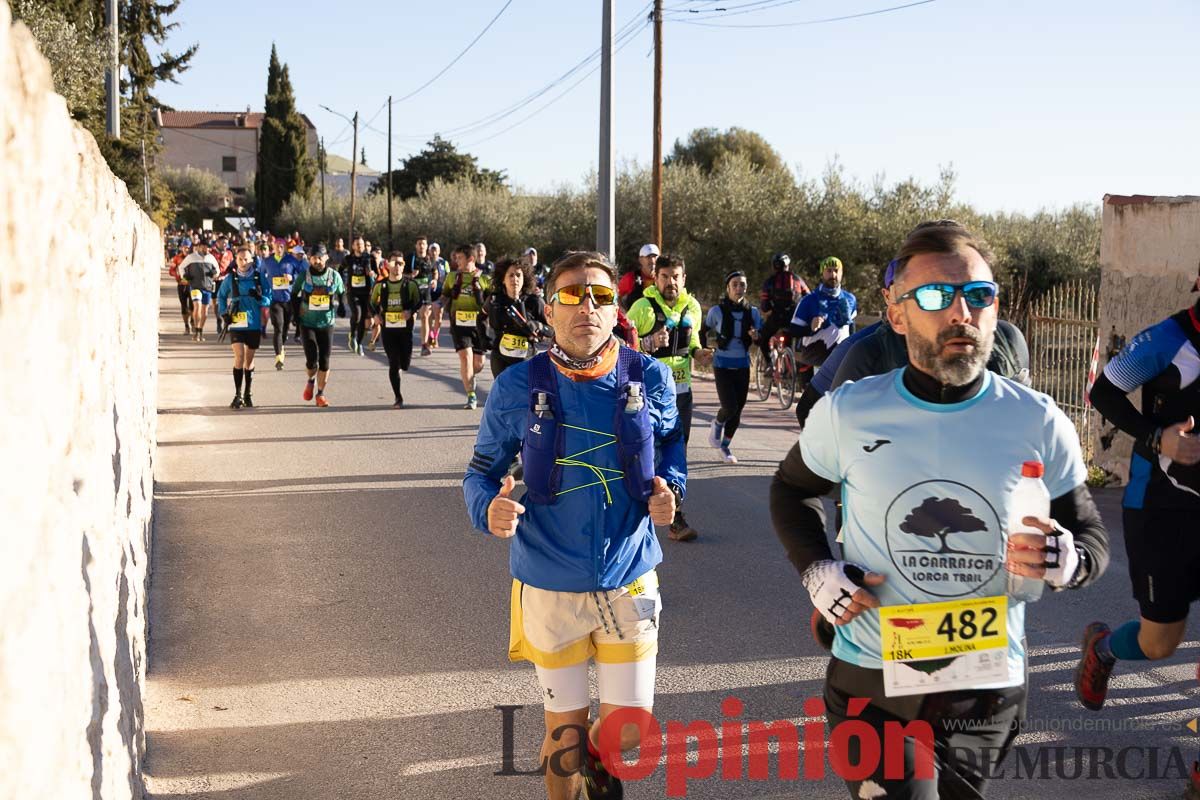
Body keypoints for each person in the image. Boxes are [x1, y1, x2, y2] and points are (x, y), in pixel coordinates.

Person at [771, 220, 1109, 800]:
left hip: (986, 680)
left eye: (978, 296)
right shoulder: (848, 411)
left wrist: (1067, 559)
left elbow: (1090, 536)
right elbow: (789, 490)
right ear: (896, 313)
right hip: (872, 674)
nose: (960, 313)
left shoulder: (1038, 418)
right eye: (934, 296)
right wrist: (817, 570)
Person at [463, 250, 686, 800]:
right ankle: (573, 762)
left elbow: (672, 447)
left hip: (629, 574)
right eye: (572, 294)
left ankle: (592, 760)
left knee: (628, 729)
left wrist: (672, 489)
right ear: (549, 308)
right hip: (548, 580)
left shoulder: (650, 376)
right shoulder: (518, 386)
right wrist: (486, 508)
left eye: (601, 295)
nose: (588, 304)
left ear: (616, 310)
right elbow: (481, 472)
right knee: (561, 735)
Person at [1076, 262, 1200, 712]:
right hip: (1161, 509)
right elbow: (1103, 392)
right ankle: (1103, 649)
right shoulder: (1166, 341)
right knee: (1160, 643)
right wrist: (1156, 436)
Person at [627, 254, 713, 542]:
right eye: (665, 276)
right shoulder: (642, 308)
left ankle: (674, 514)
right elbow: (622, 349)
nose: (671, 282)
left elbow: (693, 344)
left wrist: (701, 355)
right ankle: (639, 513)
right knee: (646, 451)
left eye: (676, 276)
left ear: (684, 279)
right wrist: (648, 343)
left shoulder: (693, 307)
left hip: (681, 392)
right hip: (648, 394)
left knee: (677, 453)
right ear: (656, 278)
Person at [704, 270, 763, 463]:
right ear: (728, 288)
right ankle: (718, 422)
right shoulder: (716, 312)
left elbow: (760, 338)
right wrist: (704, 350)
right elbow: (702, 331)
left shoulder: (752, 312)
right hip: (722, 364)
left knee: (738, 410)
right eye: (735, 284)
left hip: (742, 365)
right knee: (729, 407)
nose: (739, 288)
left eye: (742, 285)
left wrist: (756, 337)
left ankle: (725, 447)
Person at [216, 246, 272, 408]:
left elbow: (268, 299)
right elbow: (221, 296)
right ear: (236, 260)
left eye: (246, 259)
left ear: (252, 260)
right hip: (236, 321)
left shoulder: (259, 277)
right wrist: (223, 313)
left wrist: (259, 297)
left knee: (249, 360)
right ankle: (237, 395)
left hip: (253, 323)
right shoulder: (231, 278)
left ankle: (248, 392)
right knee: (239, 356)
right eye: (240, 259)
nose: (243, 262)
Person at [290, 245, 346, 408]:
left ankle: (320, 394)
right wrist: (295, 314)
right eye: (313, 258)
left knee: (325, 361)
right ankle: (310, 380)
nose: (317, 261)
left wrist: (342, 305)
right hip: (307, 322)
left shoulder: (334, 276)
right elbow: (294, 294)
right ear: (309, 259)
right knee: (311, 361)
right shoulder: (304, 275)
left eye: (320, 257)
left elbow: (342, 292)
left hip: (327, 323)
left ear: (326, 257)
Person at [442, 244, 492, 409]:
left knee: (478, 364)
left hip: (479, 326)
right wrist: (437, 307)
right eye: (456, 258)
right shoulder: (452, 277)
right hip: (459, 324)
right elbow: (445, 296)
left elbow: (492, 301)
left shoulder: (485, 279)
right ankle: (471, 395)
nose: (456, 261)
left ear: (471, 258)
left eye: (460, 258)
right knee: (466, 357)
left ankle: (469, 376)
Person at [370, 253, 422, 408]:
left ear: (404, 265)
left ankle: (402, 366)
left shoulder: (410, 284)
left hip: (405, 329)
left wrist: (410, 311)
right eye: (394, 263)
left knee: (405, 363)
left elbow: (418, 302)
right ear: (388, 265)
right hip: (388, 329)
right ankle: (398, 397)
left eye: (400, 263)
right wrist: (375, 315)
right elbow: (371, 303)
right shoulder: (381, 285)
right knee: (394, 362)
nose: (397, 266)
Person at [483, 257, 550, 378]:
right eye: (511, 275)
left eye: (519, 275)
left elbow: (553, 330)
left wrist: (537, 326)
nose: (515, 279)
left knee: (522, 395)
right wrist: (483, 339)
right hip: (500, 359)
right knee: (503, 395)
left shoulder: (534, 301)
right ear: (503, 279)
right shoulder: (494, 300)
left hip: (526, 359)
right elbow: (481, 317)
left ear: (525, 279)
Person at [790, 256, 857, 371]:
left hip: (841, 361)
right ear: (822, 273)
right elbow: (794, 330)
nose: (833, 275)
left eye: (836, 271)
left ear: (841, 273)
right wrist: (810, 328)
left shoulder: (850, 299)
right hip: (815, 361)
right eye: (829, 271)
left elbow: (851, 327)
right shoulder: (808, 300)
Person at [758, 252, 810, 360]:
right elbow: (809, 297)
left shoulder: (769, 282)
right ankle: (794, 365)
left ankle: (769, 363)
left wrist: (770, 309)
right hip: (795, 318)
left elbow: (764, 306)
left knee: (763, 337)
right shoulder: (797, 279)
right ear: (787, 265)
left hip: (777, 318)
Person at [262, 238, 303, 370]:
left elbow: (301, 275)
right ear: (272, 247)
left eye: (281, 247)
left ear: (284, 247)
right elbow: (261, 276)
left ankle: (282, 346)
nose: (279, 249)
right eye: (277, 246)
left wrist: (293, 278)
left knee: (285, 330)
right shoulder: (267, 261)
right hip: (275, 300)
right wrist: (264, 291)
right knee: (278, 328)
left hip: (289, 300)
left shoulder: (291, 260)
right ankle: (279, 356)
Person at [338, 234, 376, 355]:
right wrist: (343, 282)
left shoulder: (370, 258)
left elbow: (377, 273)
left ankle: (359, 343)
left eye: (362, 244)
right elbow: (340, 270)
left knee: (363, 318)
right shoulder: (348, 259)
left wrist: (372, 274)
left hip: (366, 292)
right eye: (358, 244)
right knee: (357, 314)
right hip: (352, 291)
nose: (360, 246)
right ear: (353, 246)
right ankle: (352, 335)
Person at [180, 241, 220, 341]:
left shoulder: (211, 258)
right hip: (195, 286)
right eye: (202, 247)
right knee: (197, 306)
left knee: (205, 311)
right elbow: (181, 267)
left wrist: (214, 273)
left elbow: (218, 270)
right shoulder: (191, 257)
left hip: (207, 287)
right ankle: (196, 329)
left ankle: (200, 331)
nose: (205, 249)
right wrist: (184, 276)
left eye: (207, 248)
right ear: (198, 247)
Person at [618, 243, 658, 310]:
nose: (652, 261)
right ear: (640, 259)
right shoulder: (630, 278)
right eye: (648, 257)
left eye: (655, 257)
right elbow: (616, 296)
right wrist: (623, 314)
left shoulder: (663, 278)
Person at [425, 242, 448, 352]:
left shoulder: (443, 262)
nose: (434, 252)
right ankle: (431, 337)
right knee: (429, 315)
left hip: (440, 292)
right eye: (432, 250)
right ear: (429, 251)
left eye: (436, 250)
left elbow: (448, 276)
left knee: (439, 317)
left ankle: (435, 335)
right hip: (428, 293)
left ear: (439, 251)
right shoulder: (426, 262)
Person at [167, 246, 193, 335]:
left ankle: (193, 321)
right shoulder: (177, 258)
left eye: (188, 248)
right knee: (184, 307)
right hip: (181, 285)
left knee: (193, 306)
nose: (186, 249)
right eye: (185, 248)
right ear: (182, 248)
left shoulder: (193, 257)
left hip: (192, 285)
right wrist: (177, 274)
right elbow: (171, 271)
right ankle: (187, 326)